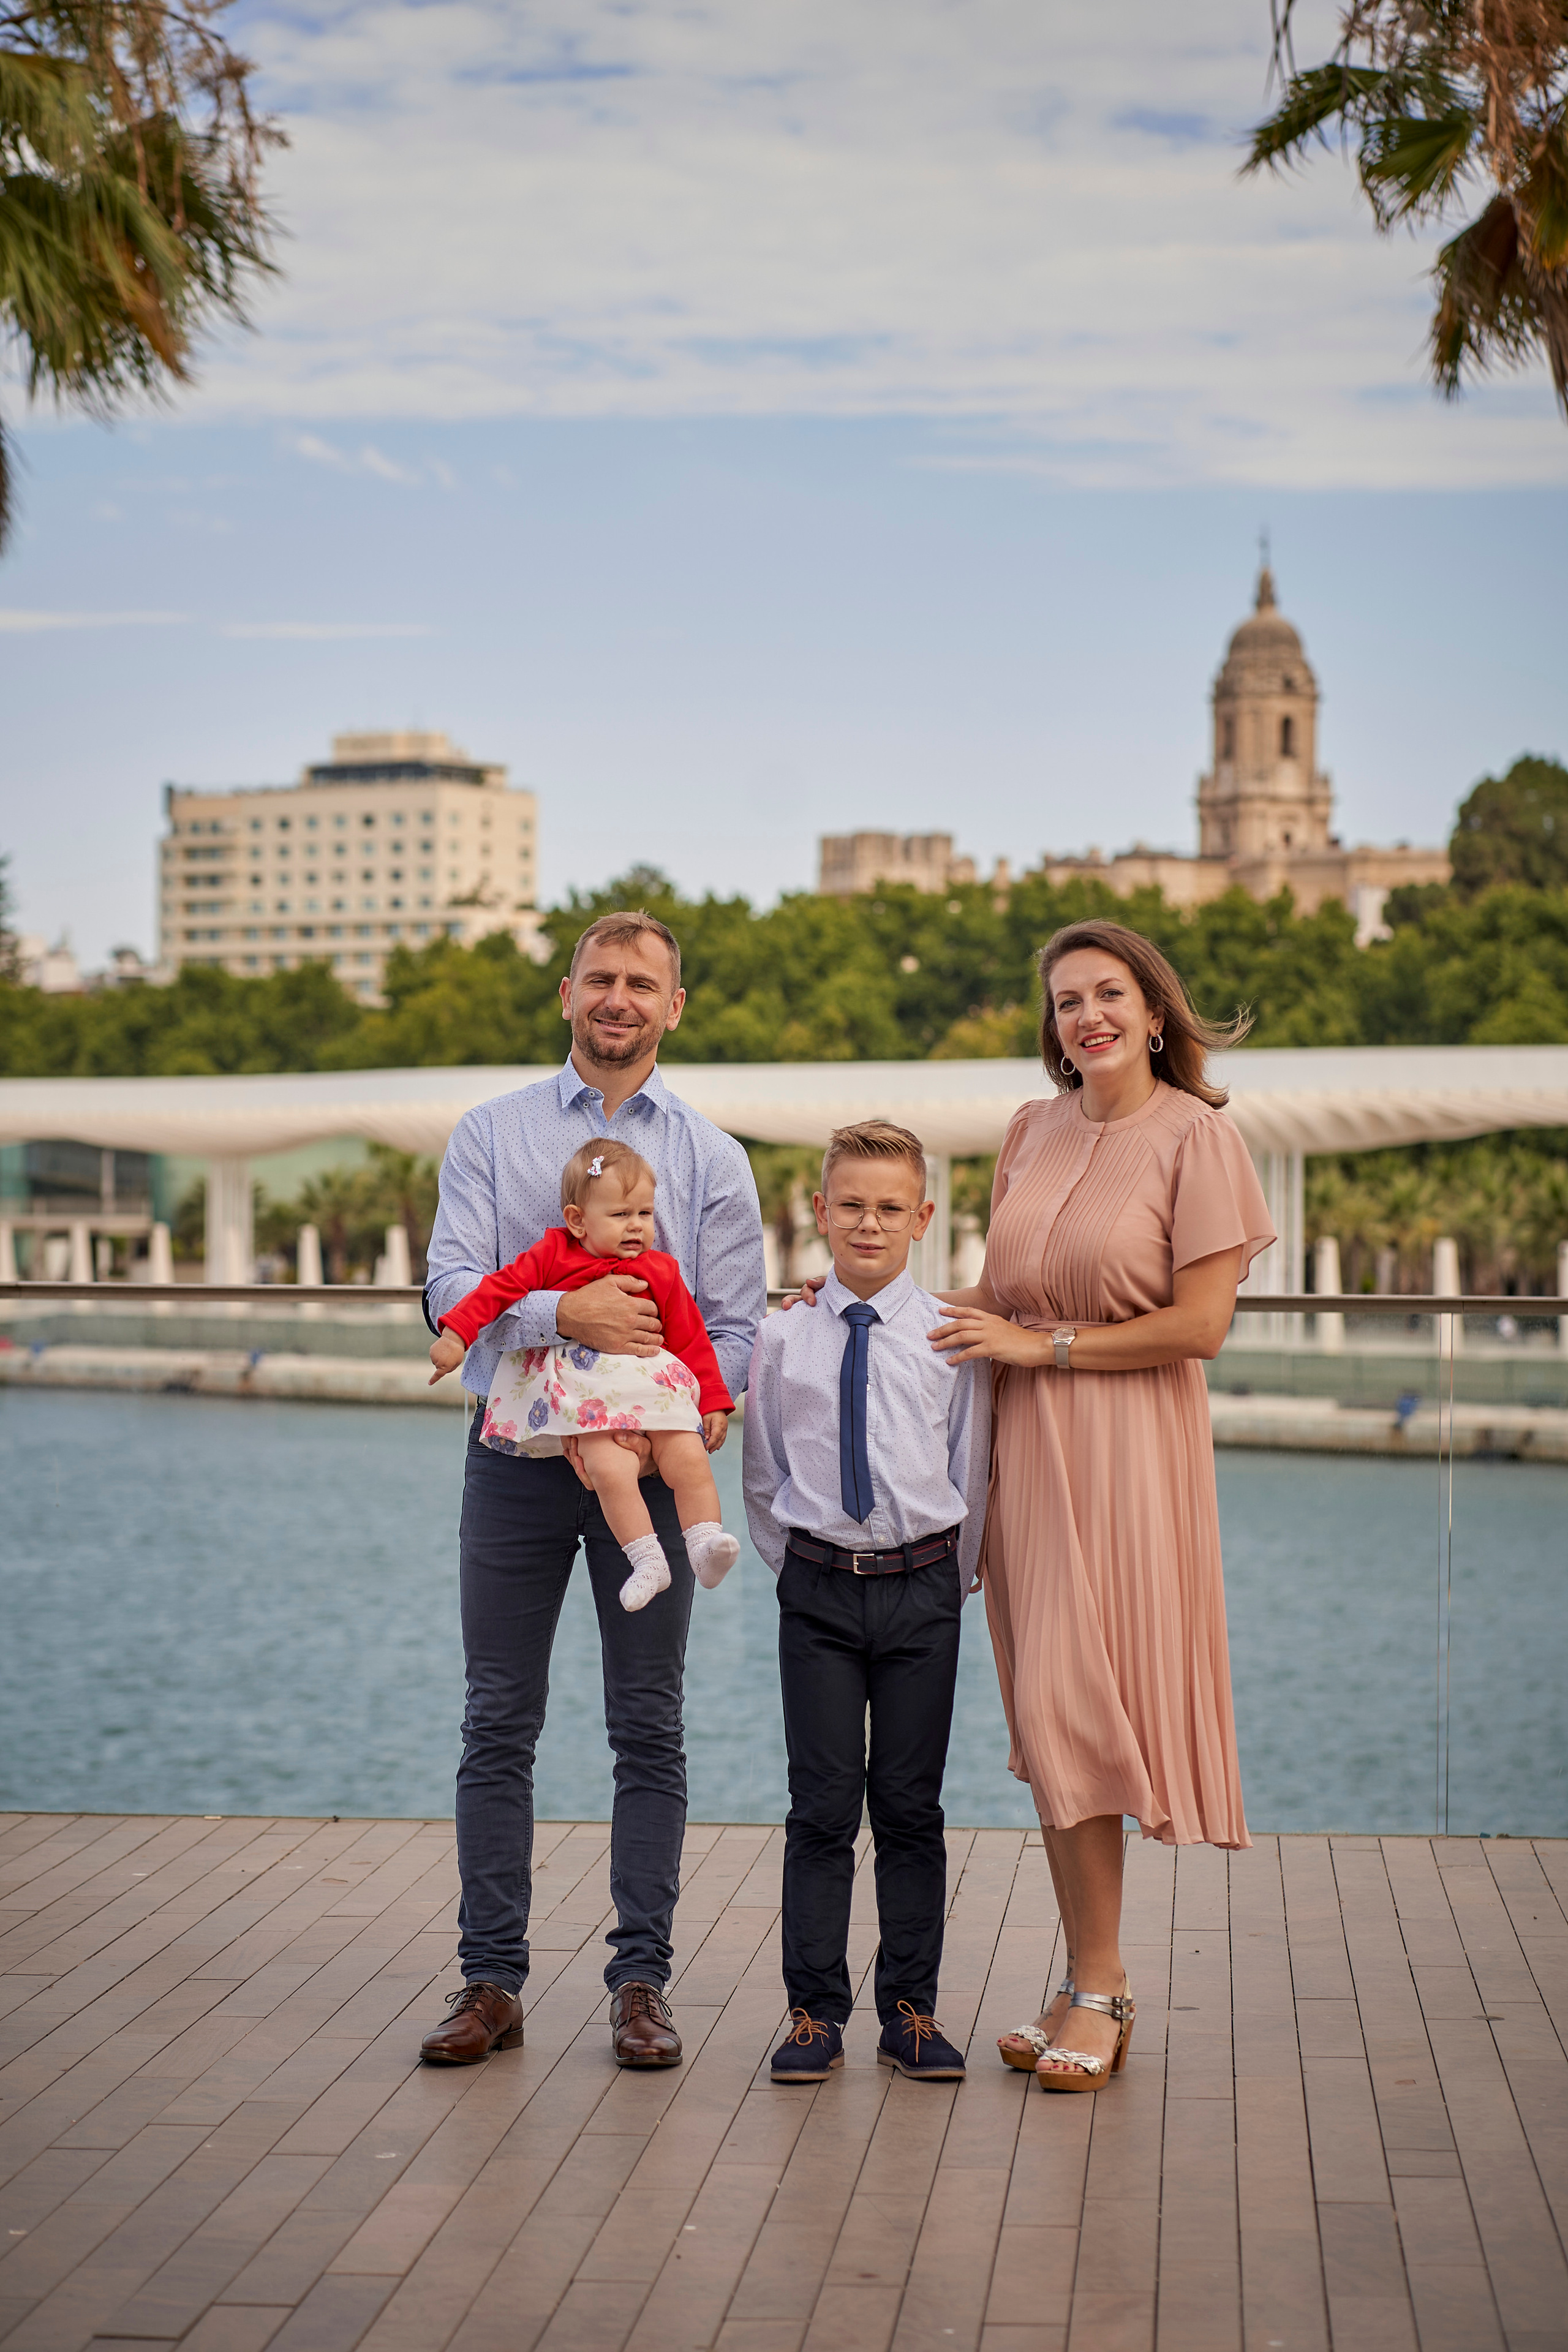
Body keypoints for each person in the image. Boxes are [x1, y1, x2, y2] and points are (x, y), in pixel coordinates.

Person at [927, 919, 1273, 2092]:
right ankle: (1084, 1977)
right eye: (1069, 1001)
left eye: (1109, 994)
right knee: (1050, 1716)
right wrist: (863, 1304)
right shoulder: (1030, 1130)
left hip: (1130, 1448)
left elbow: (1201, 1326)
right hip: (1028, 1449)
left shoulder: (1198, 1139)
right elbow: (1000, 1293)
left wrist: (1047, 1348)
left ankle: (1105, 1985)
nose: (1089, 1017)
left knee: (1085, 1703)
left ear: (1157, 1010)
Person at [418, 910, 766, 2070]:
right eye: (600, 979)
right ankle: (490, 1979)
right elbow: (451, 1286)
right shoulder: (491, 1134)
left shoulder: (713, 1160)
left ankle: (640, 1984)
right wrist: (563, 1311)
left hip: (653, 1480)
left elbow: (734, 1324)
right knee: (497, 1721)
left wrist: (712, 1397)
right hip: (514, 1467)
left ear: (676, 1007)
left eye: (643, 983)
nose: (619, 998)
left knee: (648, 1729)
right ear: (567, 993)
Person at [743, 1120, 990, 2086]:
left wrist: (948, 1572)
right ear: (820, 1211)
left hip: (925, 1588)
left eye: (891, 1208)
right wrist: (799, 1569)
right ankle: (815, 2013)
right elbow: (764, 1472)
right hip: (817, 1594)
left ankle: (912, 2010)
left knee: (909, 1807)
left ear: (923, 1217)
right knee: (821, 1809)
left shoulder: (948, 1341)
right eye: (851, 1204)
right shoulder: (781, 1338)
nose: (869, 1223)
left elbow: (967, 1461)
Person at [428, 1138, 740, 1611]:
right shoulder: (553, 1253)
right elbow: (498, 1291)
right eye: (620, 1215)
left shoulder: (662, 1270)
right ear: (577, 1220)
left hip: (651, 1392)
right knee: (610, 1469)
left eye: (645, 1214)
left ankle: (704, 1541)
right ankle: (647, 1560)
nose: (636, 1226)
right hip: (585, 1400)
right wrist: (456, 1336)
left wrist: (713, 1400)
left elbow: (692, 1338)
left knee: (688, 1454)